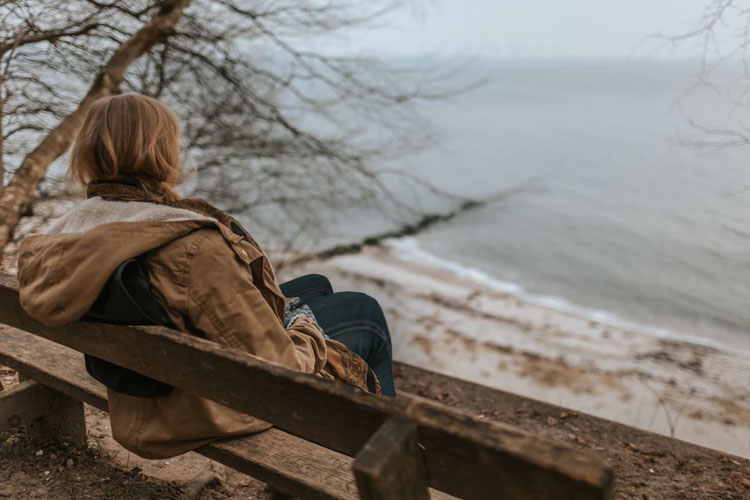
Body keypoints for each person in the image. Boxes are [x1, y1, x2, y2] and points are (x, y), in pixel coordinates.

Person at [16, 93, 395, 460]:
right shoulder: (194, 248)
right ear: (162, 151)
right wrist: (303, 325)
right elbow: (279, 371)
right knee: (365, 314)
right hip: (192, 408)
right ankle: (383, 462)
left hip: (140, 390)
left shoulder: (71, 229)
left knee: (317, 286)